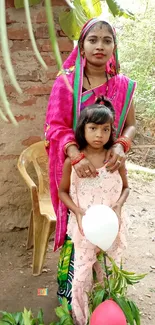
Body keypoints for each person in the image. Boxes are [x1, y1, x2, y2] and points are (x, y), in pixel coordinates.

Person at [44, 18, 136, 252]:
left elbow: (130, 125)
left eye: (107, 41)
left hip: (109, 170)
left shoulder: (123, 85)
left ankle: (107, 284)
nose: (100, 46)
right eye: (93, 40)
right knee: (81, 227)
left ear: (113, 47)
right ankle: (76, 286)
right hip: (77, 170)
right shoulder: (66, 81)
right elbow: (54, 126)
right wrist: (75, 155)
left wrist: (120, 145)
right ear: (82, 46)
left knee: (108, 224)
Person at [58, 98, 130, 325]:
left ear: (111, 132)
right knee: (81, 278)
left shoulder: (115, 159)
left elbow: (126, 187)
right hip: (85, 229)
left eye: (105, 129)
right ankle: (81, 317)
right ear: (82, 129)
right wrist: (78, 212)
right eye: (93, 128)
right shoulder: (75, 161)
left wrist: (118, 205)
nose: (99, 134)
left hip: (112, 228)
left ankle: (106, 314)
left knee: (109, 274)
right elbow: (62, 192)